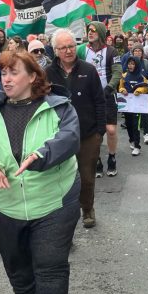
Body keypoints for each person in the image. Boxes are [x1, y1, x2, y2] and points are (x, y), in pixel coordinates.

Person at [0, 51, 80, 294]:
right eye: (3, 73)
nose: (6, 79)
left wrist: (42, 154)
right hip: (7, 207)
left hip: (53, 204)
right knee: (18, 270)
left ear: (32, 77)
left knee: (50, 270)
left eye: (13, 72)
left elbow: (70, 138)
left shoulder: (60, 108)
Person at [46, 29, 105, 228]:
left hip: (87, 135)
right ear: (55, 50)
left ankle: (87, 208)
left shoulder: (88, 70)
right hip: (58, 135)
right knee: (60, 178)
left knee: (86, 176)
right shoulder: (47, 73)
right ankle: (62, 218)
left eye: (71, 46)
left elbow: (100, 101)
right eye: (63, 47)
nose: (68, 51)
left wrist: (99, 132)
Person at [77, 22, 123, 178]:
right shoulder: (82, 50)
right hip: (88, 97)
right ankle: (96, 160)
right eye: (88, 30)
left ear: (101, 33)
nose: (90, 33)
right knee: (93, 131)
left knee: (110, 130)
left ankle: (112, 158)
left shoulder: (112, 51)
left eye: (94, 30)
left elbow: (117, 73)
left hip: (107, 95)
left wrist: (108, 89)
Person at [119, 57, 148, 156]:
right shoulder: (124, 75)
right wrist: (122, 90)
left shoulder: (141, 77)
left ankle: (137, 146)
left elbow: (146, 87)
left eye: (132, 64)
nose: (130, 65)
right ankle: (131, 140)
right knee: (129, 124)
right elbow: (120, 87)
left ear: (136, 65)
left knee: (136, 125)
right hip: (127, 105)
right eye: (129, 63)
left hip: (137, 106)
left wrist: (140, 90)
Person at [130, 43, 148, 145]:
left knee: (145, 114)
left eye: (139, 51)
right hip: (132, 93)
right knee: (132, 116)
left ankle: (146, 133)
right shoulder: (129, 63)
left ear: (142, 53)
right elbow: (124, 76)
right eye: (135, 51)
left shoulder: (146, 63)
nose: (137, 53)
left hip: (144, 92)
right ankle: (133, 137)